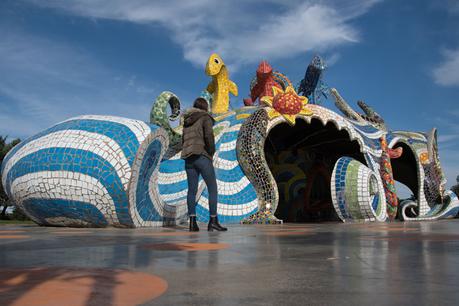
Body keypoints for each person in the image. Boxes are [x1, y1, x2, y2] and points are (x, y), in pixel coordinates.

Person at [181, 97, 227, 232]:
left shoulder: (186, 121)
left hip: (188, 158)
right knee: (212, 188)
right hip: (202, 155)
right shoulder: (205, 117)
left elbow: (183, 139)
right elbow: (209, 136)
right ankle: (213, 221)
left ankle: (192, 223)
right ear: (205, 107)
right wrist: (211, 152)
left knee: (192, 191)